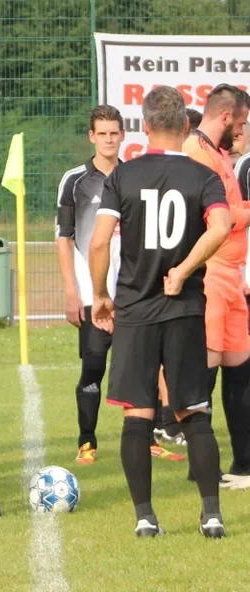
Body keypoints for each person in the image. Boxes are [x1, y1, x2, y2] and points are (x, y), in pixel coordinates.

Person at [89, 85, 231, 538]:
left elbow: (99, 241)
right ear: (186, 125)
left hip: (135, 310)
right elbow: (222, 226)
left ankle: (146, 518)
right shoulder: (203, 175)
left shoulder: (122, 176)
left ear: (144, 127)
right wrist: (184, 269)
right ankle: (211, 515)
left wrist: (100, 295)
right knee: (193, 410)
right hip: (185, 307)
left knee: (139, 413)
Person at [182, 85, 250, 483]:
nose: (241, 132)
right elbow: (215, 214)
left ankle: (244, 463)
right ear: (225, 117)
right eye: (239, 123)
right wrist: (245, 213)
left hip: (232, 275)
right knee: (203, 372)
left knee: (239, 367)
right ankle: (201, 467)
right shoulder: (196, 152)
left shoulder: (219, 153)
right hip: (210, 274)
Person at [56, 106, 131, 464]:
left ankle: (146, 438)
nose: (108, 139)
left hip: (131, 291)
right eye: (102, 133)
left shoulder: (134, 177)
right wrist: (72, 292)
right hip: (90, 292)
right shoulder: (74, 180)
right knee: (94, 368)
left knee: (141, 368)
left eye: (114, 133)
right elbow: (63, 238)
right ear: (91, 136)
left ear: (123, 135)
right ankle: (87, 441)